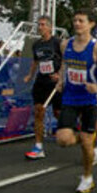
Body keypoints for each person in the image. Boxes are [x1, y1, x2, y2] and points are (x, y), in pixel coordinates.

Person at [55, 9, 97, 193]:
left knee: (88, 143)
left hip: (90, 98)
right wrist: (60, 80)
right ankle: (88, 136)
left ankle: (87, 178)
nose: (77, 23)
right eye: (75, 20)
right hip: (71, 96)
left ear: (91, 24)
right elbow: (65, 64)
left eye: (81, 20)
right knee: (63, 140)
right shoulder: (66, 44)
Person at [24, 15, 63, 160]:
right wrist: (29, 75)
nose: (39, 27)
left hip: (55, 83)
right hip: (41, 81)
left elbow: (66, 60)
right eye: (38, 25)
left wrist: (60, 74)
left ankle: (75, 133)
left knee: (58, 114)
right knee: (39, 111)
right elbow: (36, 61)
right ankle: (38, 146)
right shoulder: (36, 45)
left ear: (49, 27)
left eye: (42, 25)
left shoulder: (58, 43)